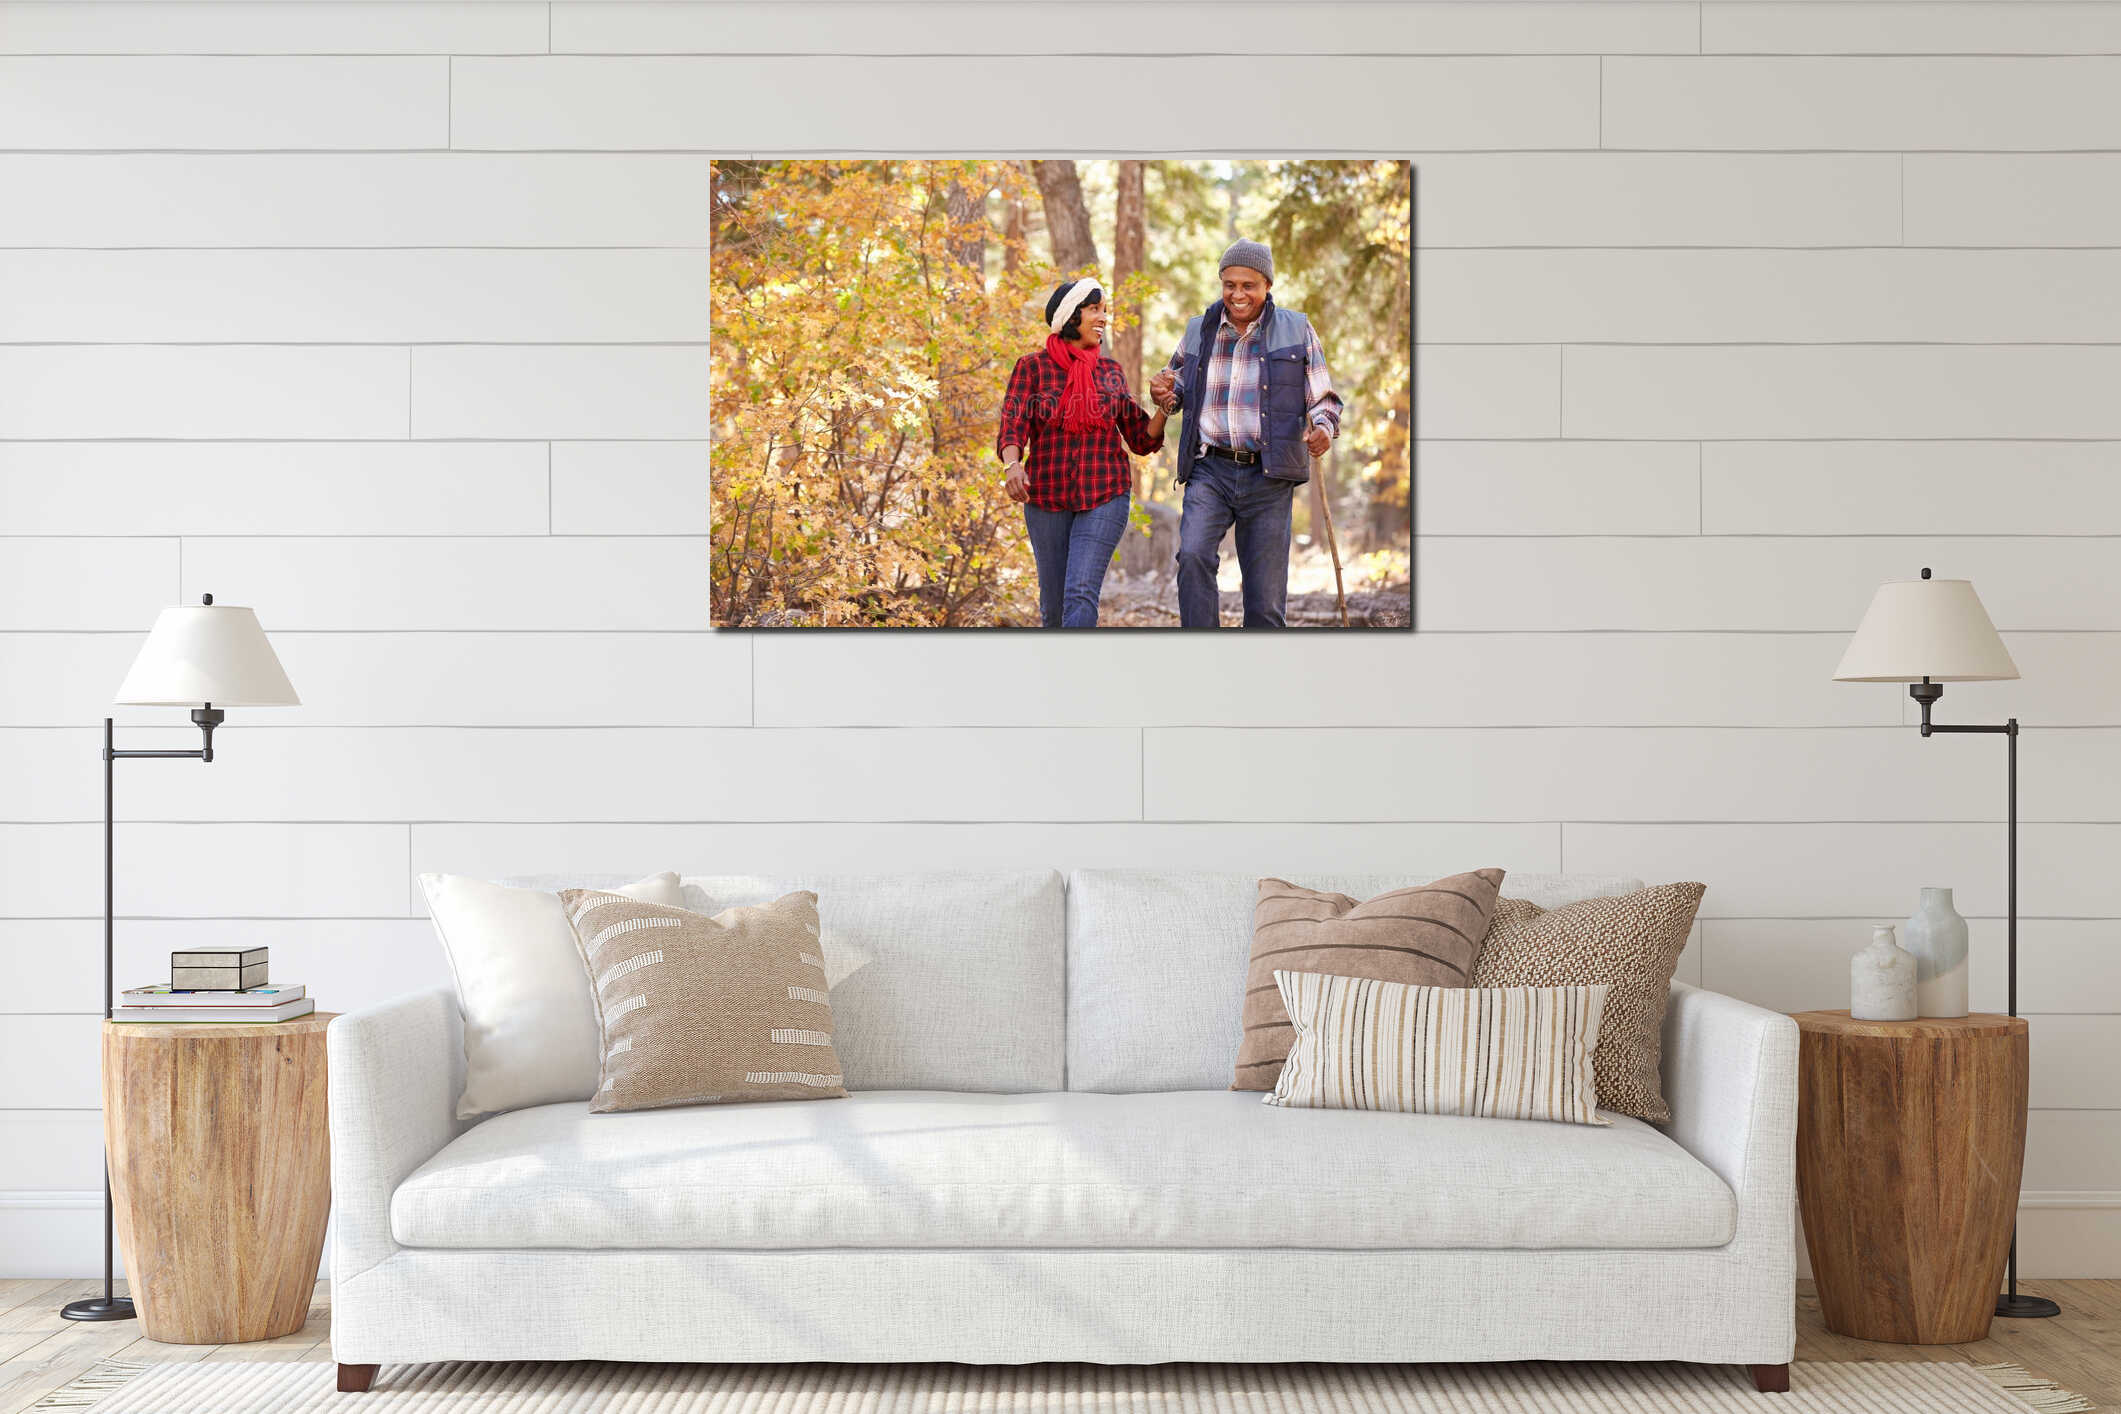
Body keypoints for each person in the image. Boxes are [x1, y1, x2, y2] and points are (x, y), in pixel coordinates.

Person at [1150, 239, 1344, 629]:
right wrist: (1165, 393)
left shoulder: (1297, 328)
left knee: (1265, 600)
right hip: (1210, 470)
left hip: (1268, 475)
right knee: (1192, 555)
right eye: (1230, 285)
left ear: (1267, 285)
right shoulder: (1198, 330)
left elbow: (1324, 398)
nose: (1238, 294)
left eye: (1248, 286)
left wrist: (1323, 427)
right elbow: (1177, 387)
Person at [996, 278, 1168, 628]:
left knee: (1080, 592)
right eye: (1095, 309)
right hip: (1045, 497)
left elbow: (1140, 437)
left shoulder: (1110, 372)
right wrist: (1013, 465)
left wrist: (1164, 408)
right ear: (1071, 316)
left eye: (1105, 310)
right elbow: (1013, 424)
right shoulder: (1032, 367)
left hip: (1105, 493)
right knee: (1054, 606)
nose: (1103, 317)